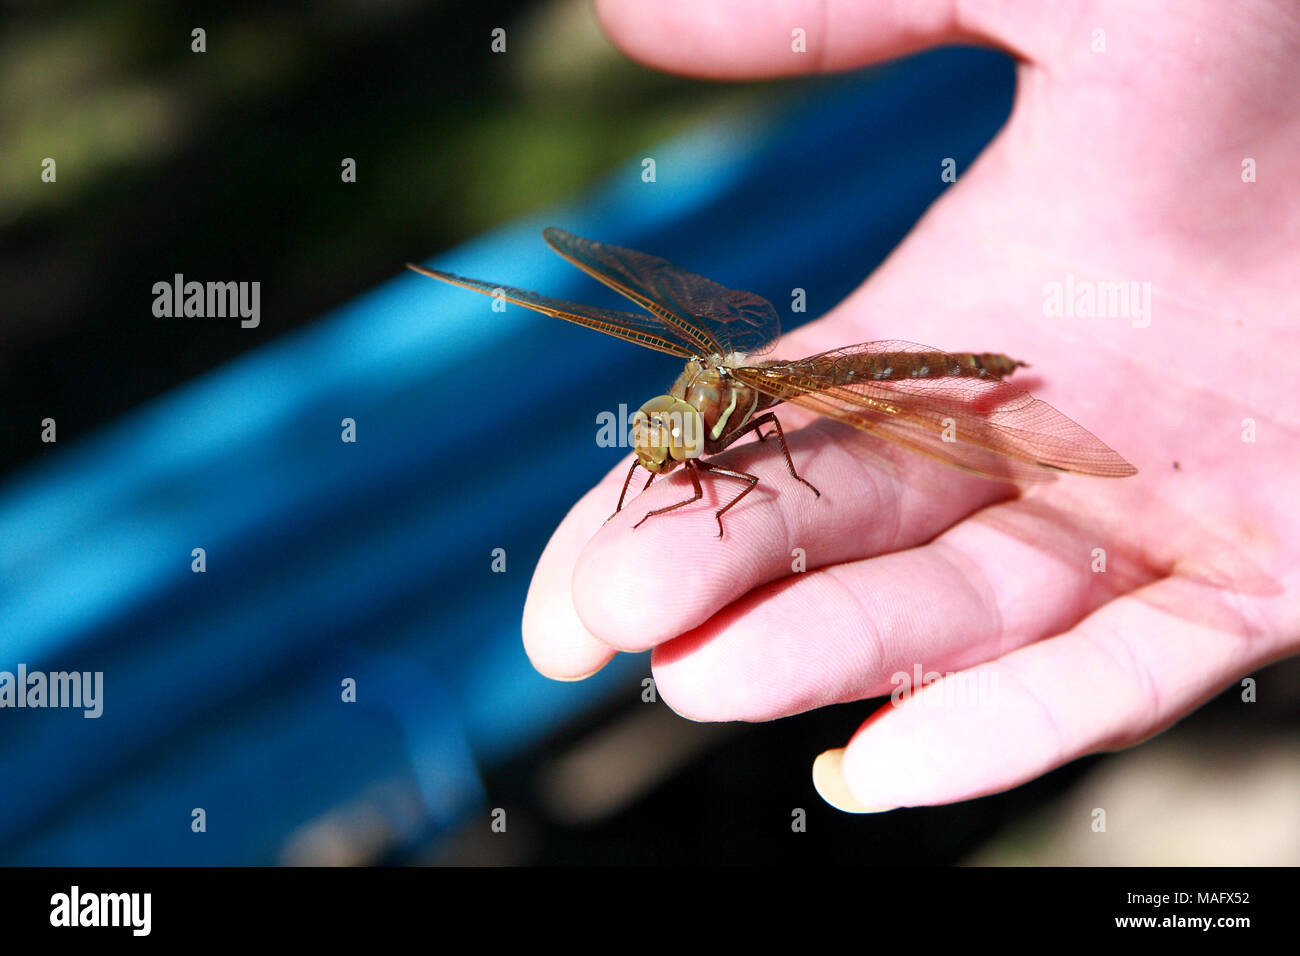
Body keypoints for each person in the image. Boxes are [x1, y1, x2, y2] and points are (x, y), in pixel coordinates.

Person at [521, 0, 1300, 812]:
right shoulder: (678, 420)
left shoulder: (739, 415)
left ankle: (985, 372)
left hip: (896, 373)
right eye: (655, 438)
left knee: (845, 435)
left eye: (663, 436)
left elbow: (753, 472)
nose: (658, 449)